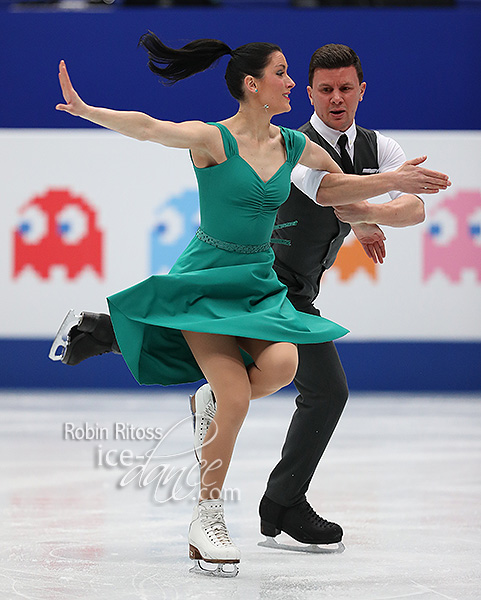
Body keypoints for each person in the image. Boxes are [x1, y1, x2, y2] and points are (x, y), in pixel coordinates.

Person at [50, 35, 449, 575]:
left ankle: (196, 397)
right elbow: (149, 126)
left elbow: (333, 189)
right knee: (235, 392)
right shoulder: (212, 139)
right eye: (283, 74)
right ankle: (206, 514)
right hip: (212, 280)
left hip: (261, 284)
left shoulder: (291, 145)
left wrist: (390, 187)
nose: (292, 84)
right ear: (252, 85)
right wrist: (87, 110)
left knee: (283, 365)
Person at [192, 43, 447, 552]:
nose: (336, 98)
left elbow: (415, 211)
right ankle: (281, 502)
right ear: (308, 93)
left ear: (361, 91)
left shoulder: (381, 147)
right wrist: (379, 202)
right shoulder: (294, 142)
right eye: (325, 89)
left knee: (314, 389)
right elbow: (328, 192)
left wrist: (372, 212)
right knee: (325, 390)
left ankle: (271, 487)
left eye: (345, 88)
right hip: (266, 284)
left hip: (296, 292)